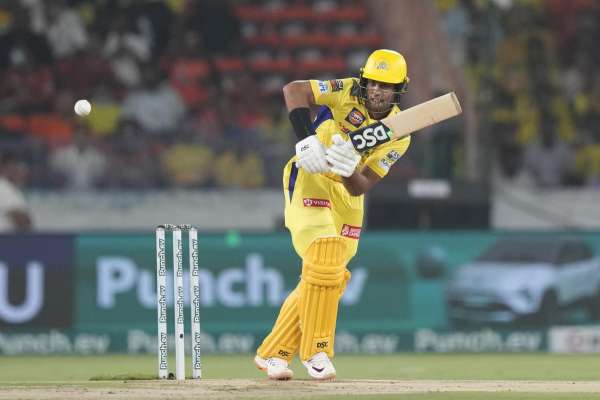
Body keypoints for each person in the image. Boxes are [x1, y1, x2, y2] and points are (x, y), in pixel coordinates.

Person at [254, 49, 412, 380]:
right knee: (325, 249)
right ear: (364, 80)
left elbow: (361, 185)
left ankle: (274, 353)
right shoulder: (347, 90)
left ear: (400, 90)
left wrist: (349, 168)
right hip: (310, 174)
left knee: (330, 273)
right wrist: (307, 140)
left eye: (387, 86)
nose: (377, 92)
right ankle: (317, 351)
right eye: (373, 83)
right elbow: (293, 90)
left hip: (345, 191)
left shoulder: (400, 130)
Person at [0, 152, 33, 232]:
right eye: (18, 167)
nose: (22, 171)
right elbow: (21, 219)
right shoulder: (3, 187)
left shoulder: (11, 188)